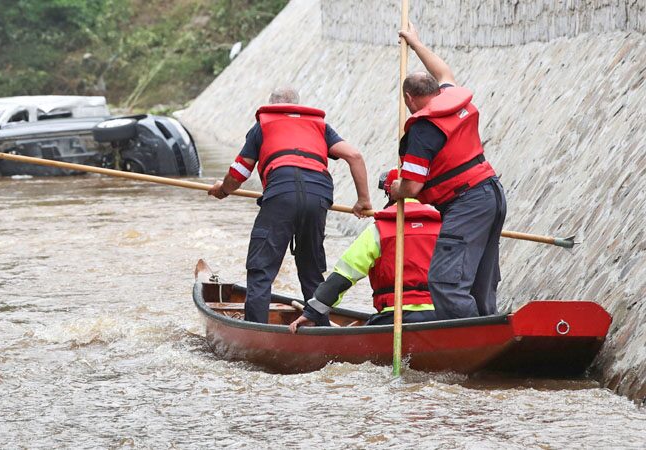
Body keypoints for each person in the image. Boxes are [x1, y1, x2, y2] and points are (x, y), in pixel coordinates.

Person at [208, 87, 372, 323]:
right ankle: (322, 331)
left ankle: (256, 332)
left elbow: (239, 173)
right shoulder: (319, 126)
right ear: (297, 104)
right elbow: (355, 156)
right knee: (312, 272)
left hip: (281, 194)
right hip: (319, 196)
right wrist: (363, 200)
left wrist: (222, 190)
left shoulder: (263, 126)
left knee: (261, 271)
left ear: (271, 104)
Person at [389, 23, 507, 319]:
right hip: (491, 194)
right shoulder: (450, 100)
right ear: (434, 90)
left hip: (466, 202)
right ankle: (488, 337)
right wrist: (415, 43)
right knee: (480, 283)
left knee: (445, 281)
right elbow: (444, 72)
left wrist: (394, 189)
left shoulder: (423, 129)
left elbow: (412, 188)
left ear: (409, 100)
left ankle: (473, 343)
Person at [289, 169, 441, 332]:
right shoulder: (445, 227)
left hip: (395, 316)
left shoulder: (379, 230)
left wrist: (312, 313)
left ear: (390, 195)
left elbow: (343, 276)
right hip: (442, 316)